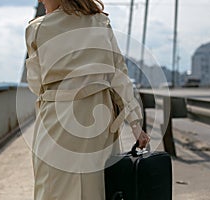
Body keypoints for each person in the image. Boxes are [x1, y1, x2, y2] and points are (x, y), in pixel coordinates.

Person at [25, 0, 150, 199]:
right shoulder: (100, 21)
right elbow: (119, 76)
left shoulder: (37, 28)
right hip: (97, 119)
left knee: (53, 188)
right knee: (96, 188)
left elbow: (35, 84)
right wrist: (135, 125)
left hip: (54, 120)